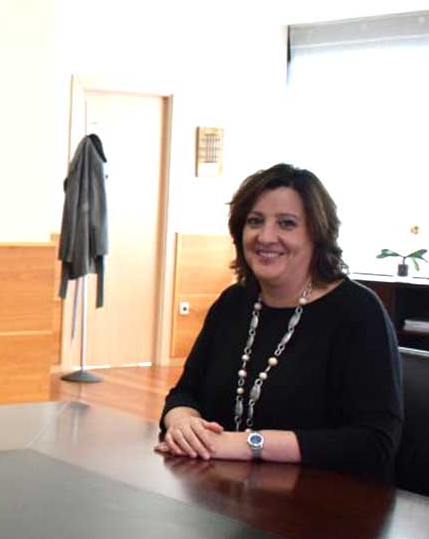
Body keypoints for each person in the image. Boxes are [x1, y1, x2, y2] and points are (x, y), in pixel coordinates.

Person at [159, 163, 402, 481]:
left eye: (286, 224)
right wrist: (182, 423)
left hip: (327, 509)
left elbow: (375, 443)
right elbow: (184, 393)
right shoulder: (233, 302)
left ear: (317, 235)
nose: (266, 236)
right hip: (225, 498)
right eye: (255, 221)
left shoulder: (358, 312)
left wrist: (248, 445)